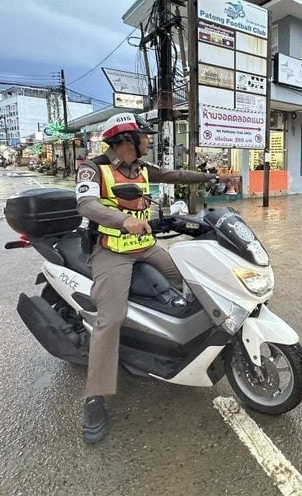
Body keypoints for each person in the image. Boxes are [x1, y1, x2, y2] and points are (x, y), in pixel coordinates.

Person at [74, 112, 224, 444]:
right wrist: (121, 221)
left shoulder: (142, 168)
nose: (149, 140)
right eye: (144, 135)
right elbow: (86, 205)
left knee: (188, 279)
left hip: (146, 246)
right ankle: (95, 397)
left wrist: (208, 177)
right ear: (127, 140)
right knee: (110, 318)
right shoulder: (92, 167)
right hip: (112, 250)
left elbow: (174, 174)